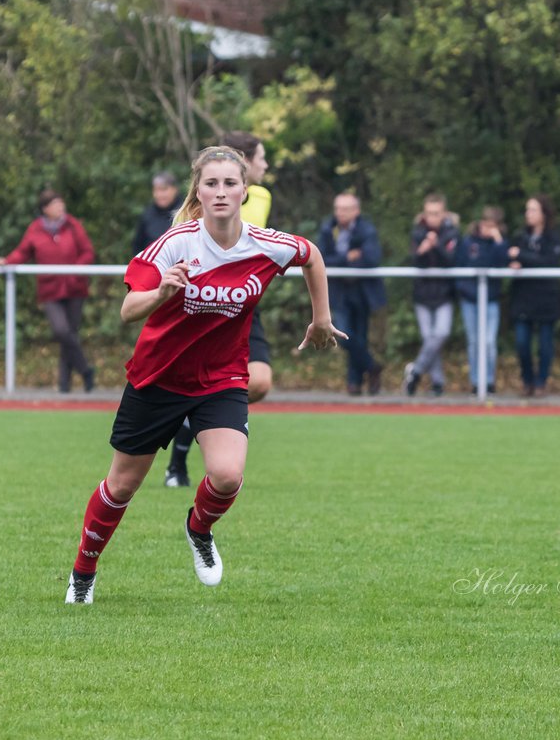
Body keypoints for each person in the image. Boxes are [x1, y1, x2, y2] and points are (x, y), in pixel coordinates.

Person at [63, 145, 344, 604]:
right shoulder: (178, 242)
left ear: (244, 190)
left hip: (221, 379)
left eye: (230, 183)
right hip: (158, 378)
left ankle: (199, 528)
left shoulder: (265, 244)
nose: (220, 192)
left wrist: (321, 318)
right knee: (121, 487)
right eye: (210, 183)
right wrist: (161, 292)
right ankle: (83, 573)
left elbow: (311, 254)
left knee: (228, 475)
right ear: (198, 189)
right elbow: (127, 308)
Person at [163, 131, 274, 488]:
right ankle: (178, 461)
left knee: (258, 382)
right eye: (261, 158)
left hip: (240, 305)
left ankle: (212, 426)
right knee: (198, 385)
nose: (265, 165)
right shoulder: (205, 205)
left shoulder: (260, 196)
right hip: (201, 308)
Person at [0, 190, 96, 393]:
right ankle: (85, 370)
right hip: (50, 290)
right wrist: (7, 261)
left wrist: (76, 270)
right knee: (62, 332)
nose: (60, 207)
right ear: (45, 209)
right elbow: (23, 252)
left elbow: (87, 252)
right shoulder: (35, 229)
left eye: (61, 202)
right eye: (55, 204)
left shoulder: (73, 225)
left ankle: (64, 386)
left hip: (74, 288)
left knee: (70, 335)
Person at [318, 193, 387, 395]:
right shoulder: (327, 228)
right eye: (337, 208)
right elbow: (320, 258)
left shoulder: (367, 230)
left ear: (356, 211)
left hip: (362, 291)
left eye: (345, 209)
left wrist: (343, 260)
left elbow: (372, 258)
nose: (340, 213)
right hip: (339, 291)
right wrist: (347, 257)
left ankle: (354, 383)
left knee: (359, 337)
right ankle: (372, 366)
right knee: (343, 333)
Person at [508, 195, 560, 396]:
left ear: (543, 214)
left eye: (533, 210)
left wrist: (521, 257)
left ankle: (541, 383)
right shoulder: (520, 237)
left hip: (546, 298)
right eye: (527, 209)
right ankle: (527, 381)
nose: (528, 214)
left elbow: (550, 262)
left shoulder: (553, 237)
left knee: (545, 345)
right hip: (523, 298)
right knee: (522, 343)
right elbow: (509, 257)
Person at [404, 193, 459, 396]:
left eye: (436, 213)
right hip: (423, 294)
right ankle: (438, 383)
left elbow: (453, 260)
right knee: (429, 339)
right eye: (428, 213)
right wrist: (422, 250)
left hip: (444, 294)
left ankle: (415, 371)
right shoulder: (418, 233)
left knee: (441, 334)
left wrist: (437, 247)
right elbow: (412, 260)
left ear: (443, 213)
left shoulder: (452, 233)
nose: (432, 217)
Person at [454, 206, 510, 395]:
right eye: (485, 225)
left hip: (491, 299)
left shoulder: (499, 243)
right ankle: (476, 382)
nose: (487, 229)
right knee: (474, 342)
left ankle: (489, 380)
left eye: (492, 226)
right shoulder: (468, 242)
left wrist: (498, 242)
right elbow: (461, 264)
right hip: (470, 300)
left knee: (488, 342)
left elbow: (502, 263)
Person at [133, 171, 181, 255]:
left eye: (164, 189)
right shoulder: (147, 214)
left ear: (175, 190)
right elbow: (137, 246)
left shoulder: (185, 212)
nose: (160, 194)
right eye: (156, 190)